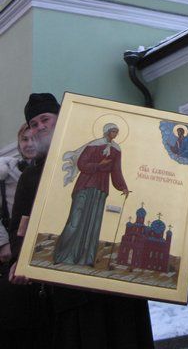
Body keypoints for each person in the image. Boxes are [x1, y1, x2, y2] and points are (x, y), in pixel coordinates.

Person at [9, 92, 154, 349]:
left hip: (116, 291)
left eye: (46, 119)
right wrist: (21, 260)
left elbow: (129, 178)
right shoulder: (31, 177)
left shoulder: (112, 149)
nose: (40, 127)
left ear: (61, 118)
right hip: (70, 292)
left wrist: (185, 206)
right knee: (75, 225)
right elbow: (19, 227)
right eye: (34, 124)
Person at [54, 123, 128, 266]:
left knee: (93, 223)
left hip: (100, 189)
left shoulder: (117, 150)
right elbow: (82, 164)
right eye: (113, 131)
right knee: (76, 220)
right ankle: (63, 256)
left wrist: (122, 187)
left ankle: (85, 259)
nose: (115, 134)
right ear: (106, 131)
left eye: (117, 132)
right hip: (85, 185)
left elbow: (116, 170)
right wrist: (99, 165)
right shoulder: (93, 145)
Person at [0, 124, 37, 269]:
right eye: (24, 140)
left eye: (33, 139)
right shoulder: (5, 175)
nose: (29, 144)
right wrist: (3, 243)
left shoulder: (51, 173)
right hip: (12, 249)